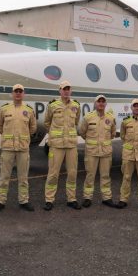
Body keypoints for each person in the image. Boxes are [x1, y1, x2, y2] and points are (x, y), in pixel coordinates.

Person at [0, 84, 37, 212]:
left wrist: (24, 136)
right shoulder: (4, 109)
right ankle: (0, 201)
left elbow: (33, 127)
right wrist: (8, 136)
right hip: (8, 148)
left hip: (23, 148)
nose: (18, 93)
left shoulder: (29, 110)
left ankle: (24, 200)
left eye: (20, 91)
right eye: (16, 91)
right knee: (4, 177)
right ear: (12, 94)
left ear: (23, 94)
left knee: (23, 177)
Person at [44, 80, 81, 210]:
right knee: (53, 173)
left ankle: (71, 199)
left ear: (71, 91)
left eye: (68, 89)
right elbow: (47, 122)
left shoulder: (76, 105)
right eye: (64, 89)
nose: (66, 91)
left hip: (71, 145)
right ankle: (49, 199)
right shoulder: (53, 105)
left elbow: (76, 122)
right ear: (60, 91)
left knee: (72, 173)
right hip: (57, 145)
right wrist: (55, 136)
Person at [79, 94, 117, 208]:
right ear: (95, 104)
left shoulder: (110, 118)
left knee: (105, 175)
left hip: (106, 152)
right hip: (92, 152)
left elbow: (113, 134)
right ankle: (87, 197)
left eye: (103, 102)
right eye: (99, 101)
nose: (101, 103)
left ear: (105, 104)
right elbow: (82, 132)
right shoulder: (88, 117)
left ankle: (107, 198)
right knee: (90, 175)